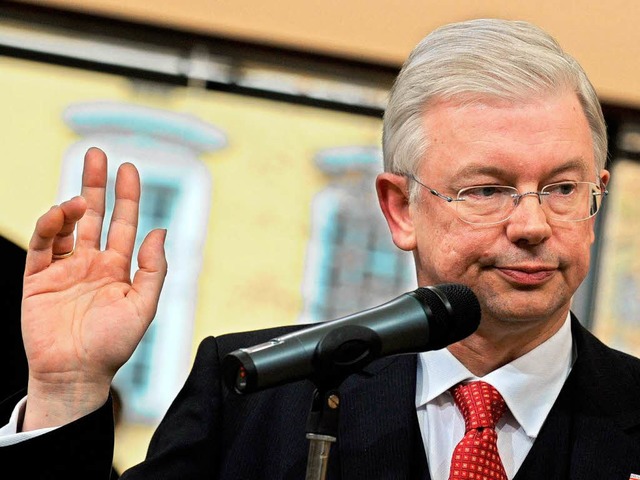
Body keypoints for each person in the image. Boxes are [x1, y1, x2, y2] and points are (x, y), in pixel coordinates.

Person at [1, 17, 640, 479]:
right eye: (487, 190)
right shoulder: (255, 394)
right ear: (399, 209)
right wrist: (68, 392)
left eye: (561, 187)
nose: (531, 224)